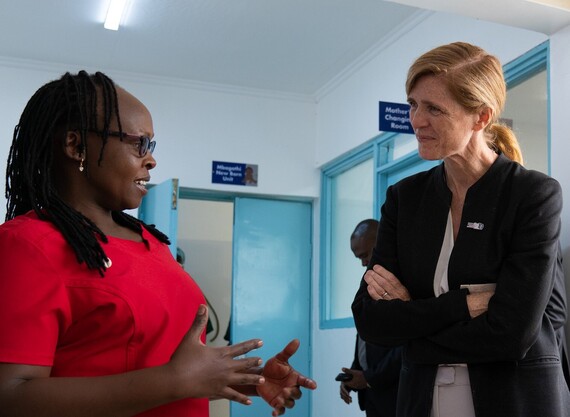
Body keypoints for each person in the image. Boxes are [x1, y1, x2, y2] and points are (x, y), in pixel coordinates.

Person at [0, 71, 316, 417]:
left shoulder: (149, 241)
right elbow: (12, 397)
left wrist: (246, 379)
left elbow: (161, 366)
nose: (151, 160)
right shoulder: (27, 246)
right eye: (139, 143)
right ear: (76, 146)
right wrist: (175, 381)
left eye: (152, 146)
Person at [352, 42, 570, 417]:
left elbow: (512, 334)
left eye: (434, 108)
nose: (416, 120)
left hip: (514, 401)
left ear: (480, 117)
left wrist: (413, 327)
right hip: (421, 399)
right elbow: (371, 319)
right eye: (413, 104)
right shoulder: (405, 198)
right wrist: (463, 305)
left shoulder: (532, 194)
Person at [340, 219, 402, 417]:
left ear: (381, 243)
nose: (363, 263)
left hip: (395, 396)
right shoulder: (369, 284)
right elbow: (366, 339)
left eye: (365, 255)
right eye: (358, 258)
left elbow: (405, 346)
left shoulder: (400, 284)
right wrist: (352, 375)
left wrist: (368, 378)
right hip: (372, 399)